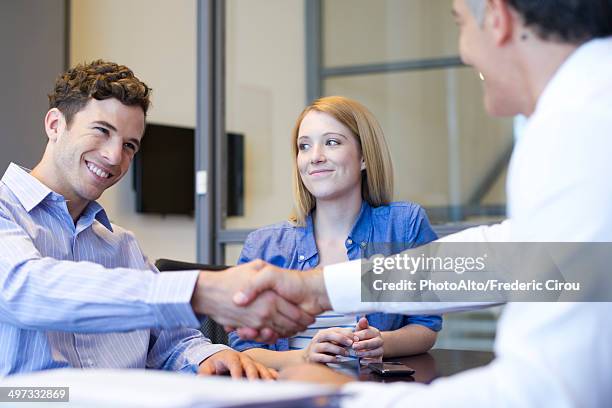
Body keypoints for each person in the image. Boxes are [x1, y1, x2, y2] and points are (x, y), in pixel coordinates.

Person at [232, 0, 612, 406]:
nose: (464, 52)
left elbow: (545, 391)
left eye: (461, 24)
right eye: (304, 146)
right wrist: (320, 287)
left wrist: (341, 397)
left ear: (498, 20)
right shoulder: (586, 111)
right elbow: (515, 255)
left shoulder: (580, 126)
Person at [0, 60, 313, 378]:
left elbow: (175, 343)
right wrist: (199, 290)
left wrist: (210, 357)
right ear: (55, 124)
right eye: (101, 131)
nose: (114, 157)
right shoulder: (4, 210)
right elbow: (24, 288)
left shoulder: (122, 245)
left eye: (129, 145)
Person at [229, 96, 441, 369]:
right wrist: (302, 357)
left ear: (364, 157)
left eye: (331, 142)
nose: (315, 157)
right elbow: (244, 350)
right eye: (304, 146)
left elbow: (426, 327)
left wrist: (383, 342)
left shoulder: (404, 224)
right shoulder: (264, 244)